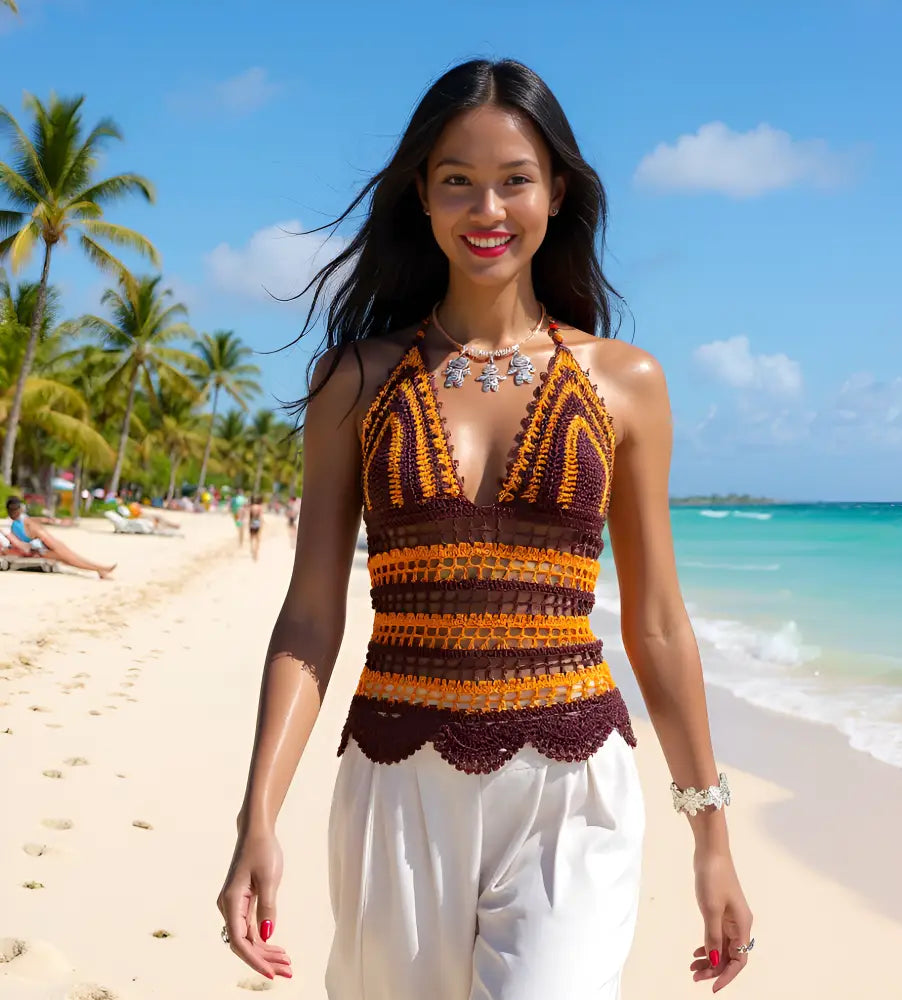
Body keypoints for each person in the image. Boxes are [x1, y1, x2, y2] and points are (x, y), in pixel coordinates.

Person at [217, 59, 753, 998]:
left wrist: (711, 833)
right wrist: (256, 815)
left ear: (557, 194)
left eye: (515, 179)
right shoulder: (355, 381)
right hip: (396, 782)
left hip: (572, 789)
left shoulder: (626, 383)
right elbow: (310, 617)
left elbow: (658, 622)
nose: (487, 208)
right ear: (421, 197)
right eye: (457, 180)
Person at [5, 496, 116, 579]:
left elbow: (37, 521)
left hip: (41, 545)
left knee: (70, 557)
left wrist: (52, 521)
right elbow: (23, 543)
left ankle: (99, 569)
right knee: (70, 558)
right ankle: (99, 568)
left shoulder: (19, 522)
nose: (15, 511)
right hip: (40, 548)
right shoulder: (17, 523)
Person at [246, 495, 263, 562]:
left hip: (252, 523)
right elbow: (261, 517)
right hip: (257, 523)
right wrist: (262, 525)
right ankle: (256, 553)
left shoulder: (251, 507)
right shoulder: (259, 507)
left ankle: (252, 549)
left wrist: (249, 524)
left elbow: (249, 516)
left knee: (252, 538)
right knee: (258, 539)